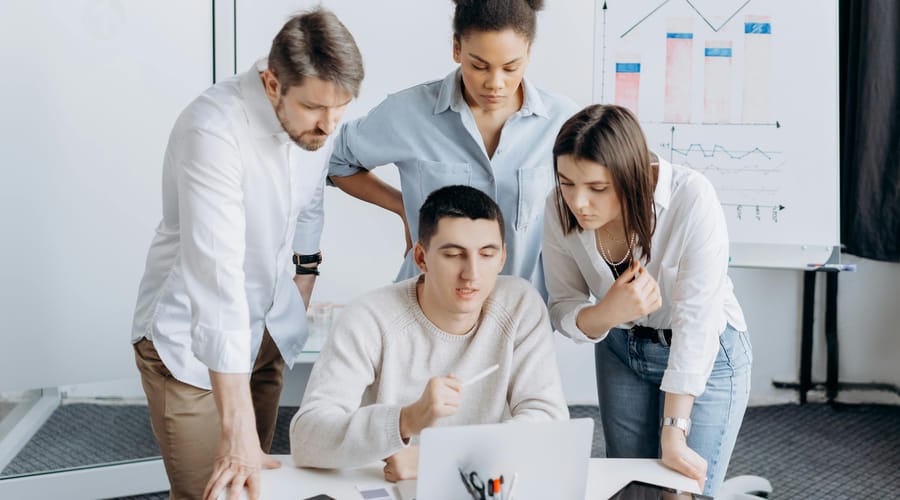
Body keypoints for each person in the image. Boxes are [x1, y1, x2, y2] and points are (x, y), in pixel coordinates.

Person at [130, 9, 363, 499]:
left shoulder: (318, 113)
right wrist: (236, 429)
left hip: (268, 328)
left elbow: (310, 203)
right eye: (317, 109)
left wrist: (304, 277)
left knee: (260, 491)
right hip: (189, 349)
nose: (329, 125)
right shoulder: (212, 131)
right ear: (272, 82)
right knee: (210, 494)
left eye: (340, 109)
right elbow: (217, 284)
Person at [290, 185, 568, 482]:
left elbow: (550, 424)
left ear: (502, 258)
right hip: (397, 486)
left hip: (487, 486)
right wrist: (406, 420)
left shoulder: (520, 305)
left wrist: (439, 461)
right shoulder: (369, 318)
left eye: (487, 254)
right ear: (421, 258)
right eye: (453, 255)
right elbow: (306, 438)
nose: (472, 273)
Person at [542, 105, 752, 496]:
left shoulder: (691, 197)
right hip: (621, 350)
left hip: (705, 353)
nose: (578, 202)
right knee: (630, 491)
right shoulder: (558, 207)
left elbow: (696, 323)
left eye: (597, 188)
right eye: (567, 182)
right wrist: (607, 312)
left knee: (681, 491)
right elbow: (562, 305)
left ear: (631, 178)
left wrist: (674, 433)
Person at [327, 0, 578, 297]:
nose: (495, 83)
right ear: (456, 49)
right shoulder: (409, 112)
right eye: (479, 65)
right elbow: (332, 159)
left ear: (529, 54)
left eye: (511, 67)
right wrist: (401, 207)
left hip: (519, 317)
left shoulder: (564, 122)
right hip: (425, 310)